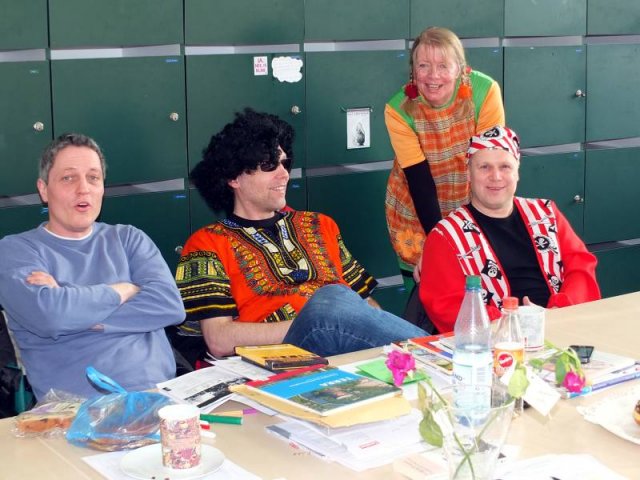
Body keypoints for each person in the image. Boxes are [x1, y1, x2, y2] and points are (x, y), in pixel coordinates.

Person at [173, 108, 426, 363]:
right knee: (331, 300)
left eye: (285, 163)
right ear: (234, 178)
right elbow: (219, 340)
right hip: (280, 356)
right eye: (269, 165)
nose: (284, 174)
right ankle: (432, 354)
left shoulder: (321, 225)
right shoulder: (207, 243)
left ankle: (428, 355)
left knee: (339, 300)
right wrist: (314, 320)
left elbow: (366, 308)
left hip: (342, 352)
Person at [0, 133, 185, 400]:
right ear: (43, 189)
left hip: (161, 396)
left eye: (93, 177)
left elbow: (169, 305)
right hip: (77, 410)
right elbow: (50, 315)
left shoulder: (129, 238)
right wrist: (124, 289)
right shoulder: (15, 250)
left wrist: (70, 302)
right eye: (68, 178)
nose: (83, 189)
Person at [419, 126, 601, 333]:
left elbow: (581, 268)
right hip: (493, 340)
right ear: (468, 174)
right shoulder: (446, 236)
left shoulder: (546, 213)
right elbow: (446, 304)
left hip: (560, 326)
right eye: (484, 167)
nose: (496, 176)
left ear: (517, 172)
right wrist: (511, 323)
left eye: (505, 167)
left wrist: (558, 310)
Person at [385, 26, 505, 280]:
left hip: (472, 201)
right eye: (423, 66)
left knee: (478, 286)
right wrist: (439, 244)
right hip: (417, 212)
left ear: (460, 68)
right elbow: (419, 181)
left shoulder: (484, 92)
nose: (433, 76)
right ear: (413, 70)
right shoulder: (397, 110)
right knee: (426, 287)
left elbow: (489, 166)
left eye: (443, 66)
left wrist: (485, 228)